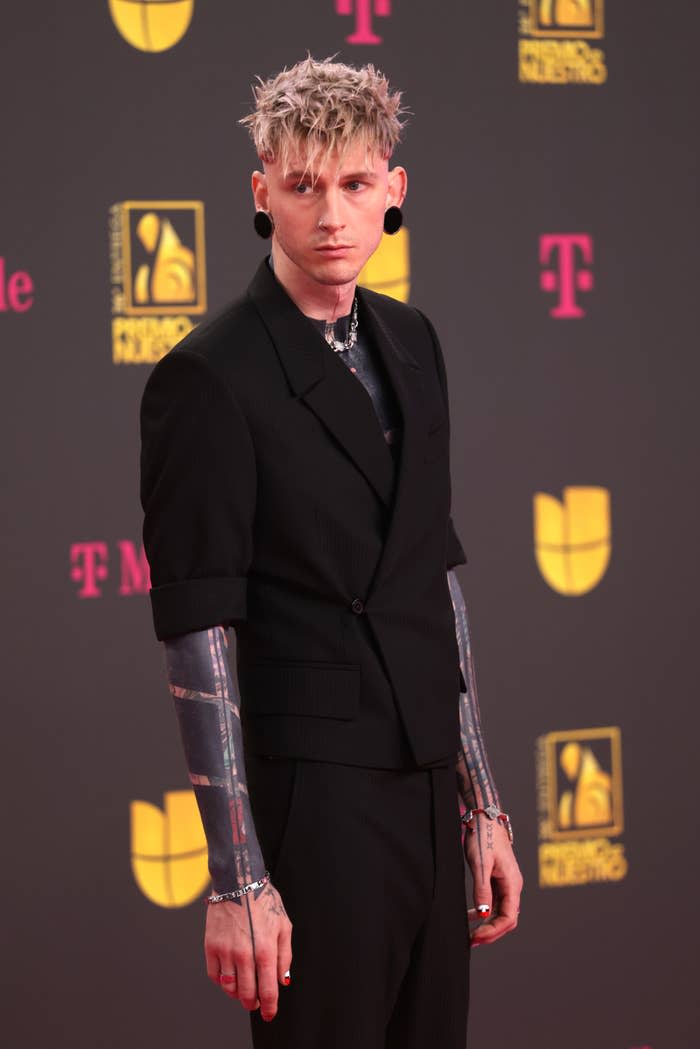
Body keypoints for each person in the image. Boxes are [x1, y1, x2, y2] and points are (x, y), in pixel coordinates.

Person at [139, 54, 523, 1049]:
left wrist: (482, 803)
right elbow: (198, 631)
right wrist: (237, 879)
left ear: (393, 190)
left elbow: (433, 573)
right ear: (261, 189)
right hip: (316, 798)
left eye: (354, 184)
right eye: (304, 186)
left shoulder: (414, 339)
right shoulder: (208, 376)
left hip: (426, 786)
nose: (331, 215)